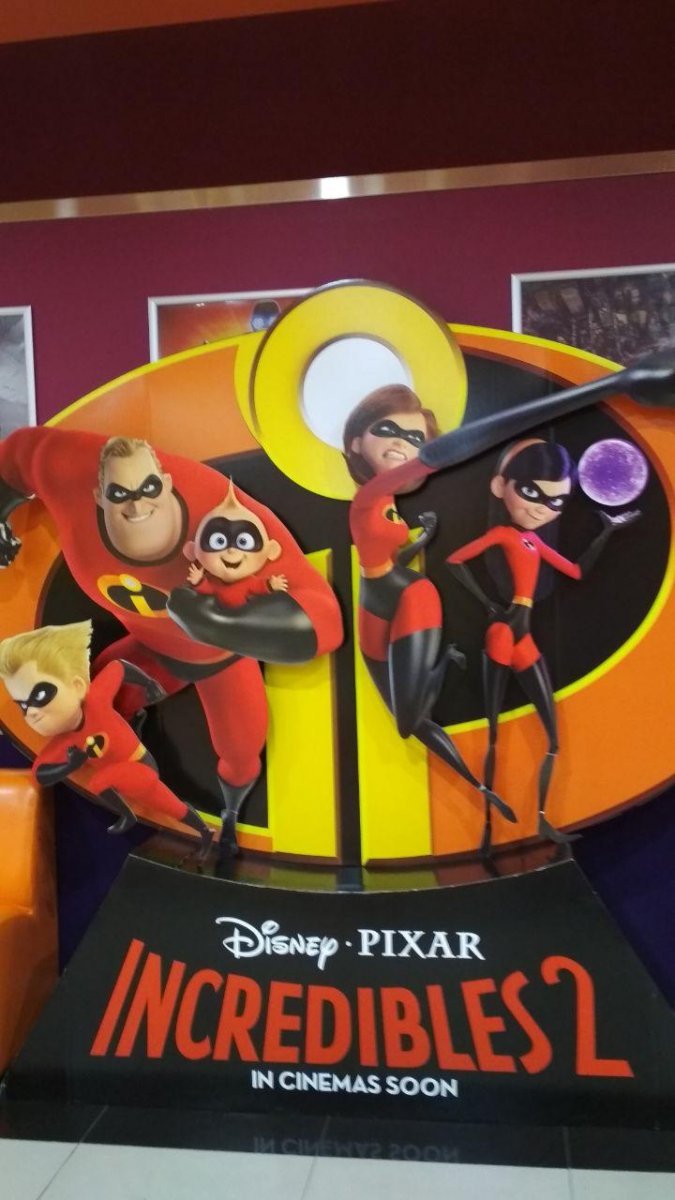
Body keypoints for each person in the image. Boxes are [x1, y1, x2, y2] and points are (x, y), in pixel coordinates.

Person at [0, 429, 343, 856]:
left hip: (219, 661)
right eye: (120, 494)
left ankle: (230, 819)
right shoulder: (69, 468)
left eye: (148, 489)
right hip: (148, 649)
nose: (137, 506)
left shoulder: (225, 517)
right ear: (99, 495)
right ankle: (126, 775)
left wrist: (217, 622)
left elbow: (323, 621)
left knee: (240, 753)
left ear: (164, 481)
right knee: (92, 710)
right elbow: (18, 454)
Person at [447, 438, 639, 855]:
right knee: (493, 734)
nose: (540, 508)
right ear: (502, 487)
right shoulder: (502, 533)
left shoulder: (535, 543)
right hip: (502, 632)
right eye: (531, 493)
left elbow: (577, 571)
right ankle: (485, 827)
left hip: (524, 636)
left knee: (552, 738)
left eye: (555, 502)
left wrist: (607, 530)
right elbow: (455, 560)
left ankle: (542, 820)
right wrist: (488, 604)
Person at [344, 384, 516, 824]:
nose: (401, 444)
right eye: (388, 430)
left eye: (415, 438)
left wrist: (424, 537)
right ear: (357, 442)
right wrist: (428, 459)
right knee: (409, 723)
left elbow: (388, 555)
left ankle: (477, 786)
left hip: (411, 597)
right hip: (373, 604)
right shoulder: (369, 497)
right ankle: (480, 788)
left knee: (408, 719)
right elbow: (378, 554)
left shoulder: (388, 500)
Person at [0, 622, 213, 857]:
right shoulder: (64, 744)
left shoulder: (96, 700)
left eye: (40, 695)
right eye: (23, 706)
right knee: (172, 807)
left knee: (102, 782)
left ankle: (131, 816)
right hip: (126, 778)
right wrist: (68, 765)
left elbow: (118, 667)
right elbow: (41, 773)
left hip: (141, 765)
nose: (31, 712)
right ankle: (204, 832)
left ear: (77, 686)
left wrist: (149, 684)